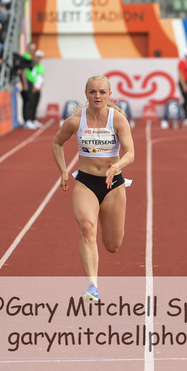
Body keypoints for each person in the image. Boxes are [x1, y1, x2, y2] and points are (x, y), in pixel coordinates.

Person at [51, 75, 135, 301]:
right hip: (86, 182)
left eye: (102, 92)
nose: (97, 96)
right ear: (86, 94)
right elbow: (57, 142)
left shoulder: (118, 120)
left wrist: (116, 165)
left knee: (112, 245)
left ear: (109, 95)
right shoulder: (75, 122)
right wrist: (63, 171)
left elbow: (131, 153)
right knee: (87, 228)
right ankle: (92, 287)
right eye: (92, 92)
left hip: (113, 185)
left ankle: (95, 279)